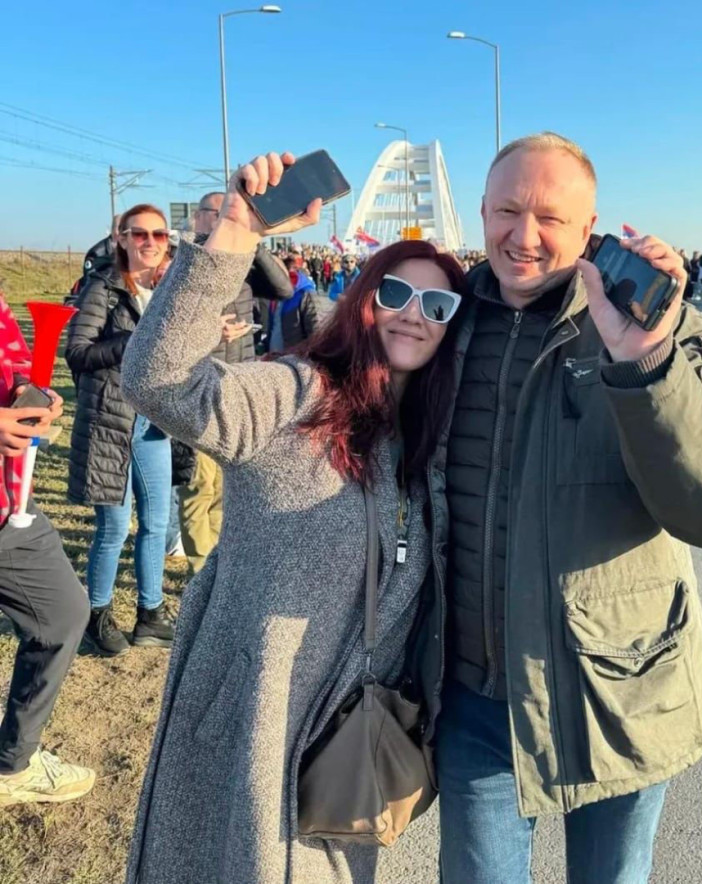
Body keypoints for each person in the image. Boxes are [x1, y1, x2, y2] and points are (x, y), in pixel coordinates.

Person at [119, 151, 467, 884]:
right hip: (253, 717)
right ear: (366, 295)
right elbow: (159, 381)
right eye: (398, 292)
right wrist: (236, 237)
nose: (415, 314)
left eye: (438, 306)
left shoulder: (427, 439)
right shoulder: (301, 395)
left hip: (349, 739)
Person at [436, 133, 702, 884]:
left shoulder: (660, 330)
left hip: (621, 693)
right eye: (508, 210)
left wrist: (644, 362)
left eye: (551, 217)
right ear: (481, 213)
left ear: (591, 230)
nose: (524, 236)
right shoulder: (443, 325)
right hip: (478, 696)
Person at [66, 204, 181, 656]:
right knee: (113, 526)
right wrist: (135, 340)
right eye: (139, 234)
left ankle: (150, 614)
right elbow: (76, 352)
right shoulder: (104, 288)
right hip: (113, 421)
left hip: (154, 423)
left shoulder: (170, 291)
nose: (149, 242)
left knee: (154, 523)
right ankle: (96, 616)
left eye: (158, 235)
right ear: (121, 238)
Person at [0, 293, 95, 807]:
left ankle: (13, 761)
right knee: (62, 614)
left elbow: (8, 353)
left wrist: (24, 389)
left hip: (8, 500)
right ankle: (13, 764)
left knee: (63, 613)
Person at [177, 192, 294, 575]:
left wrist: (253, 238)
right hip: (195, 385)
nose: (233, 217)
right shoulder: (186, 264)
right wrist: (211, 335)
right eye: (223, 212)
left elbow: (282, 288)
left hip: (237, 387)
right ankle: (198, 568)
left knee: (230, 487)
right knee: (200, 486)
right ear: (200, 220)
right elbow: (172, 334)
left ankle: (220, 562)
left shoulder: (245, 261)